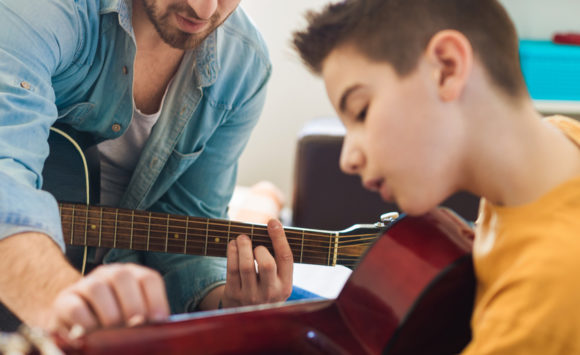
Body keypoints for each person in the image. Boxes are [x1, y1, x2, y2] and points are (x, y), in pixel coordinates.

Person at [292, 0, 580, 353]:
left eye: (361, 111)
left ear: (446, 67)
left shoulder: (545, 295)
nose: (348, 160)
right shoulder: (558, 144)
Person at [0, 0, 295, 335]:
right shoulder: (46, 9)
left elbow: (187, 225)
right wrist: (59, 297)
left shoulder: (244, 67)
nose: (204, 9)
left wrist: (227, 298)